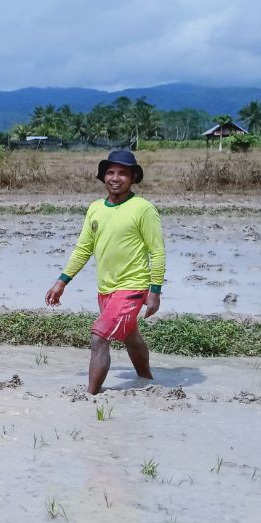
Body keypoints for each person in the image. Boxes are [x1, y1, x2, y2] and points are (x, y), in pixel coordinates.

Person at [45, 149, 166, 394]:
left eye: (123, 173)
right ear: (103, 177)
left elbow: (158, 252)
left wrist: (154, 291)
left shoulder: (143, 209)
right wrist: (62, 282)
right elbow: (83, 249)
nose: (115, 178)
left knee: (99, 337)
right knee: (130, 337)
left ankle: (91, 396)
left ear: (133, 178)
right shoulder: (96, 208)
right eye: (110, 172)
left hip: (132, 287)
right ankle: (147, 381)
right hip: (106, 289)